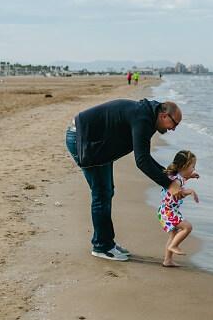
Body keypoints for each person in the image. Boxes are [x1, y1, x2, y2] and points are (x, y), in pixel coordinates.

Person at [65, 99, 190, 261]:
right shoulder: (143, 118)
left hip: (98, 141)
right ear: (164, 115)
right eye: (174, 124)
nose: (173, 129)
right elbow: (142, 161)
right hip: (83, 138)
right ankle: (102, 246)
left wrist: (170, 177)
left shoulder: (150, 118)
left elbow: (145, 156)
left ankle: (105, 242)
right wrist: (168, 184)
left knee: (106, 191)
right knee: (101, 193)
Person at [158, 150, 199, 267]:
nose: (194, 169)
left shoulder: (177, 176)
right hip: (168, 212)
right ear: (184, 166)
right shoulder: (177, 180)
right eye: (192, 167)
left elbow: (181, 180)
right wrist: (190, 191)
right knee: (187, 227)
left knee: (173, 234)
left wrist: (190, 177)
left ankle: (167, 260)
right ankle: (174, 246)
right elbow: (178, 192)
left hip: (165, 211)